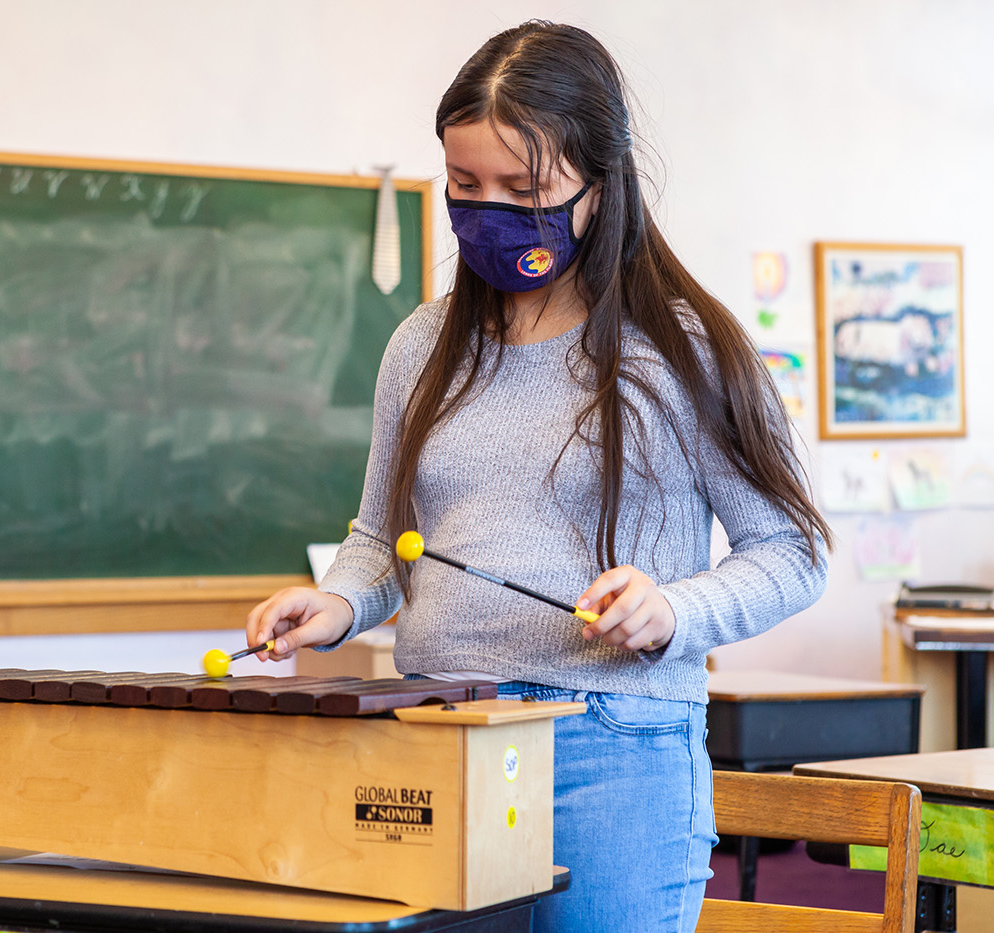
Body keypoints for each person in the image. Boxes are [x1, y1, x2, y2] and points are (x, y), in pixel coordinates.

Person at [245, 19, 831, 933]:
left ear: (600, 185)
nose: (490, 211)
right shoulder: (422, 346)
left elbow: (793, 552)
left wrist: (675, 609)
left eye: (526, 189)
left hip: (614, 742)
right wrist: (338, 603)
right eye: (465, 186)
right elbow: (383, 538)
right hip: (438, 736)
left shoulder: (683, 350)